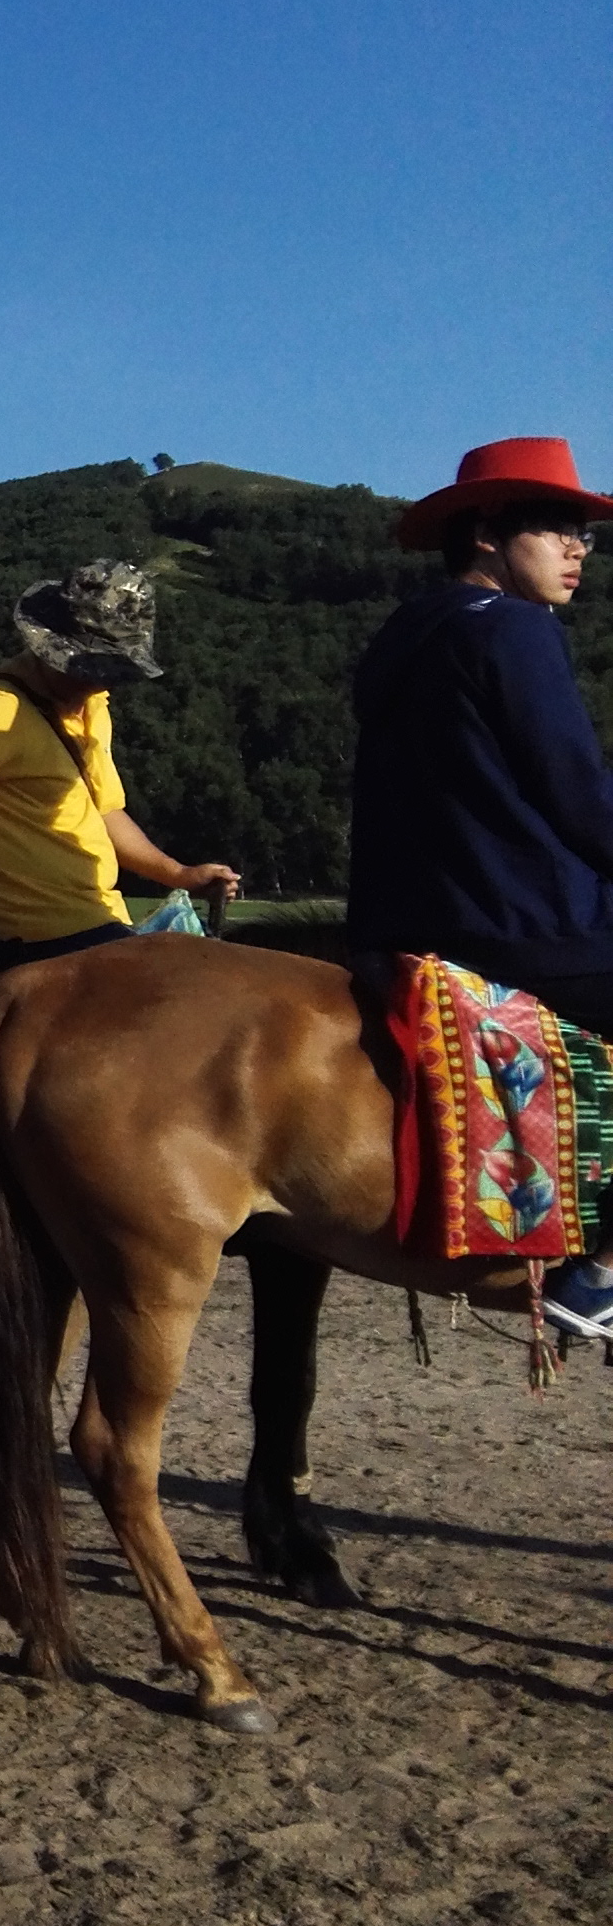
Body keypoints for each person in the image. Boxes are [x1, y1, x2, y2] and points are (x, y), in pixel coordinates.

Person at [344, 437, 613, 1338]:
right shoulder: (512, 629)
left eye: (586, 534)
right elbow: (575, 791)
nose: (581, 550)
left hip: (406, 920)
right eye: (561, 528)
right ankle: (600, 1277)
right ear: (491, 532)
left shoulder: (405, 635)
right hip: (518, 922)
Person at [0, 561, 238, 980]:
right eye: (85, 667)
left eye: (108, 670)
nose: (95, 681)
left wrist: (180, 874)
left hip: (101, 925)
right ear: (48, 647)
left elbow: (105, 813)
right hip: (32, 943)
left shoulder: (91, 705)